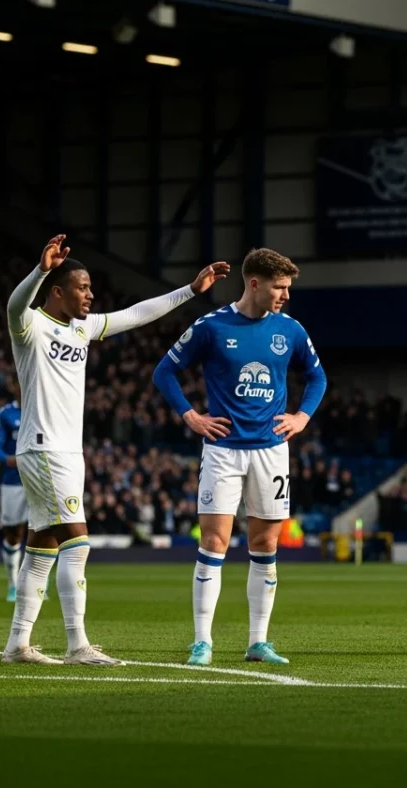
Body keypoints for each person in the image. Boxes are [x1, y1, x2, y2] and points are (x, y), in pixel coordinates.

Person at [1, 234, 229, 666]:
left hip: (66, 450)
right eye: (82, 287)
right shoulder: (31, 326)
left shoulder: (83, 329)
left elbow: (135, 315)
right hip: (46, 447)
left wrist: (190, 290)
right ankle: (77, 645)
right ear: (58, 291)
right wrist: (41, 268)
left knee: (42, 547)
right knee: (78, 542)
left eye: (90, 288)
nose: (90, 294)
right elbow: (14, 306)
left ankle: (17, 645)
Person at [153, 247, 327, 667]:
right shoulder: (212, 327)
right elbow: (165, 372)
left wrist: (302, 417)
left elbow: (317, 375)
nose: (285, 295)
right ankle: (201, 642)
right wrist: (192, 417)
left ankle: (257, 642)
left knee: (266, 543)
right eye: (279, 287)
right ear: (254, 283)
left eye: (288, 287)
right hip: (223, 452)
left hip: (271, 452)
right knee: (213, 542)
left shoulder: (291, 330)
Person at [0, 377, 43, 603]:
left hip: (40, 480)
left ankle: (37, 583)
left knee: (42, 531)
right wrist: (9, 459)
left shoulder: (43, 409)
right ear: (13, 386)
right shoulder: (4, 414)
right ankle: (13, 584)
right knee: (13, 534)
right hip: (12, 481)